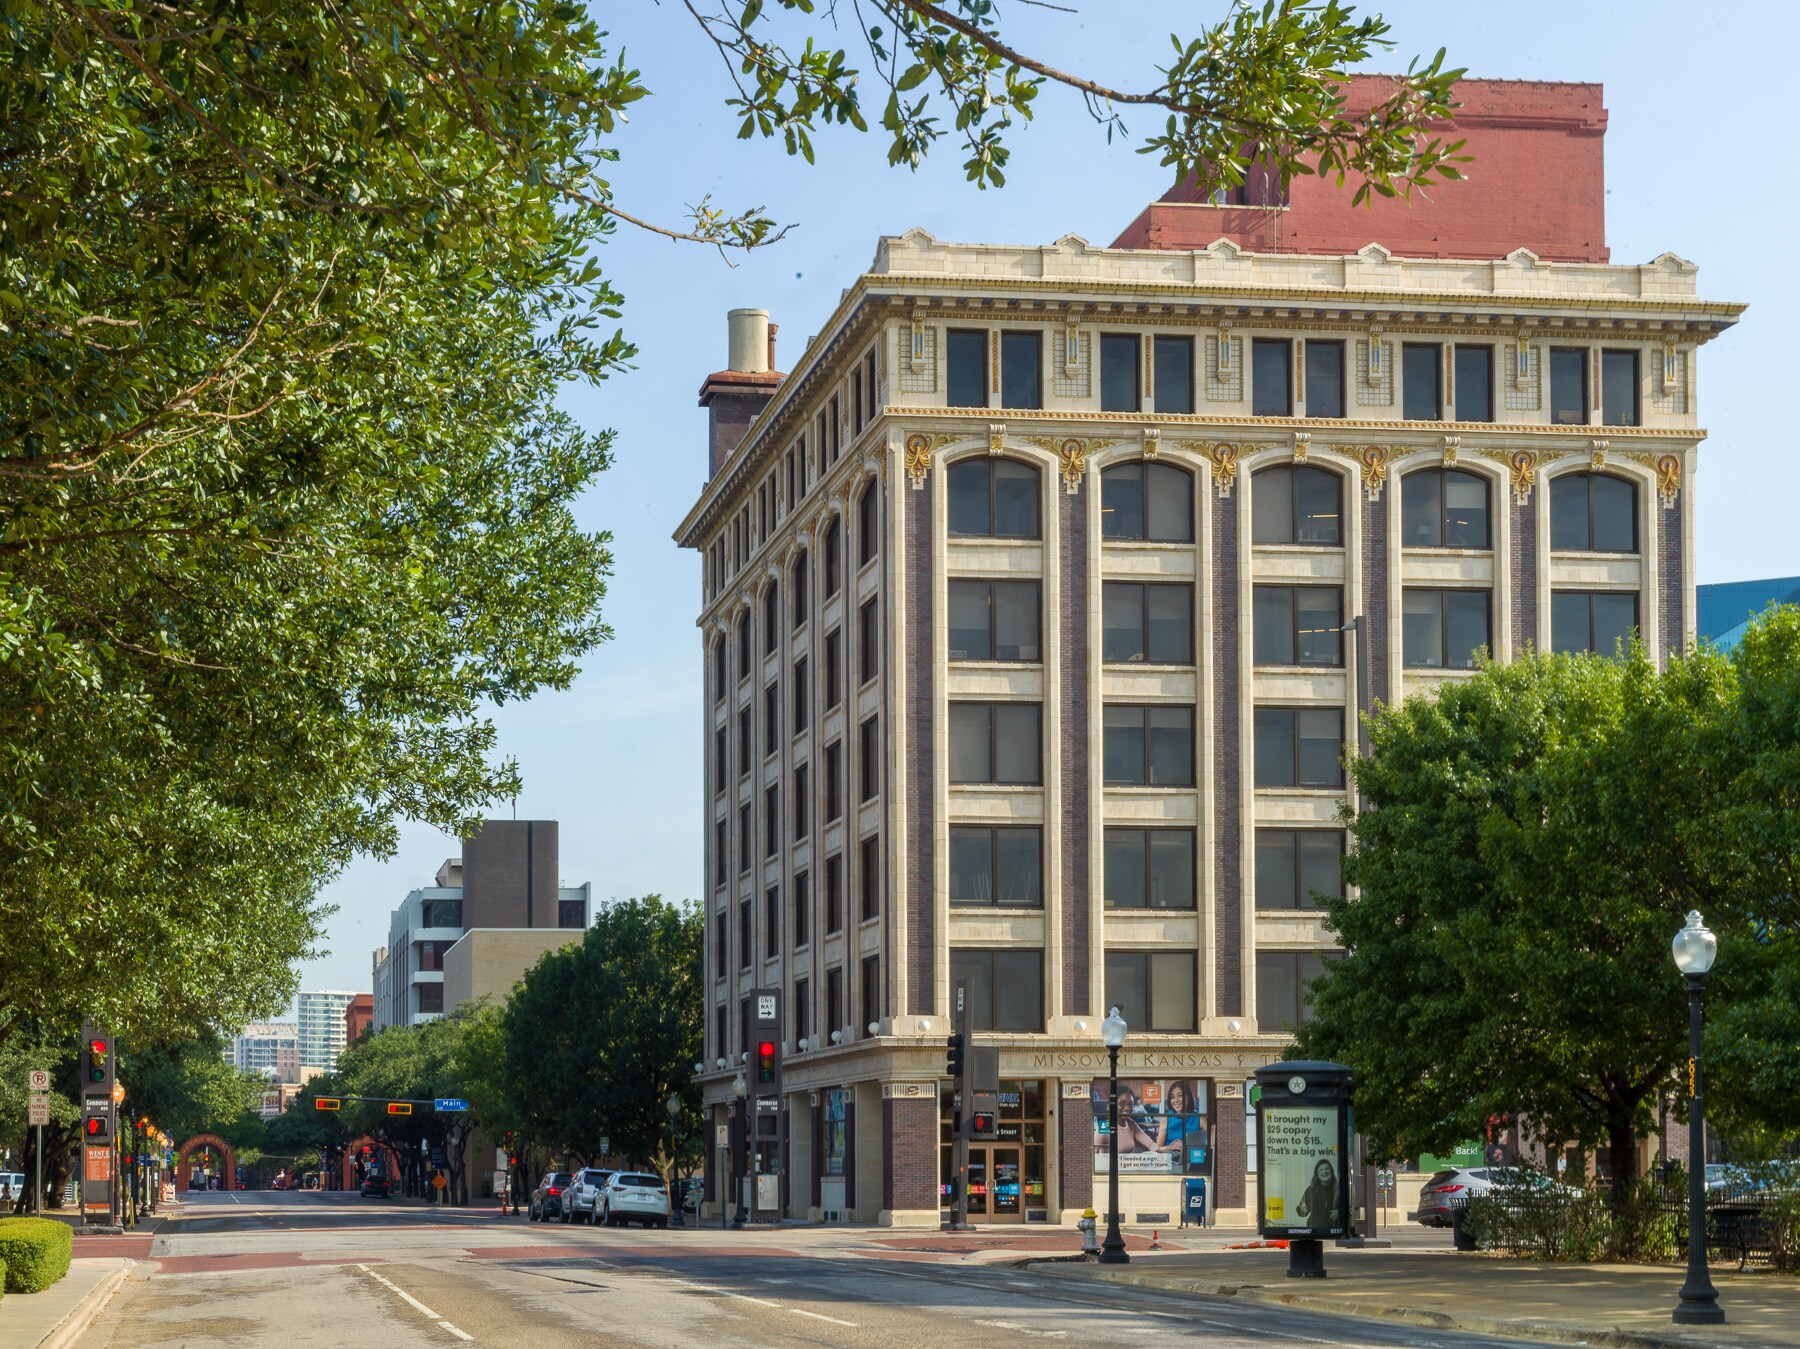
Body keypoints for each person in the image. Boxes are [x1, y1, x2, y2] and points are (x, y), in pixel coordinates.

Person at [1296, 1157, 1340, 1228]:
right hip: (1313, 1231)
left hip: (1333, 1231)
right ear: (1317, 1174)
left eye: (1327, 1169)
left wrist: (1340, 1213)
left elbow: (1349, 1210)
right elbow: (1301, 1211)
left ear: (1331, 1171)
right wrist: (1302, 1210)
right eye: (1321, 1170)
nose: (1324, 1172)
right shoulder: (1311, 1190)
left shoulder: (1339, 1190)